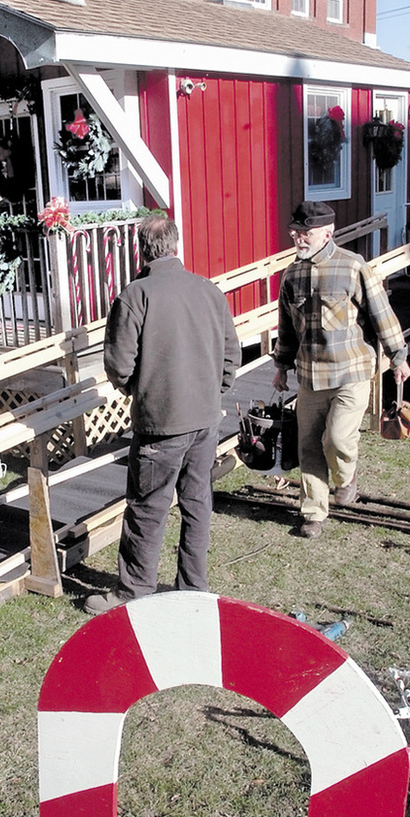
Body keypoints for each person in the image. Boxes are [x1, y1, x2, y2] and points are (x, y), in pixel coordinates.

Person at [83, 215, 241, 615]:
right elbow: (231, 355)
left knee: (147, 508)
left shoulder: (136, 295)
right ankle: (194, 585)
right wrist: (213, 391)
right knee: (197, 502)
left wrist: (142, 390)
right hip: (205, 419)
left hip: (161, 424)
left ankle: (133, 591)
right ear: (176, 246)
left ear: (142, 249)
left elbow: (119, 365)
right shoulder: (209, 290)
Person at [272, 201, 410, 539]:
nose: (297, 236)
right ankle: (313, 513)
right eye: (295, 231)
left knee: (336, 439)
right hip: (310, 378)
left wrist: (398, 356)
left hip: (351, 373)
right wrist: (281, 366)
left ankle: (346, 478)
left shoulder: (353, 267)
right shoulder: (292, 275)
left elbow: (382, 313)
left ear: (327, 233)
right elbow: (287, 328)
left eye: (305, 231)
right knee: (308, 446)